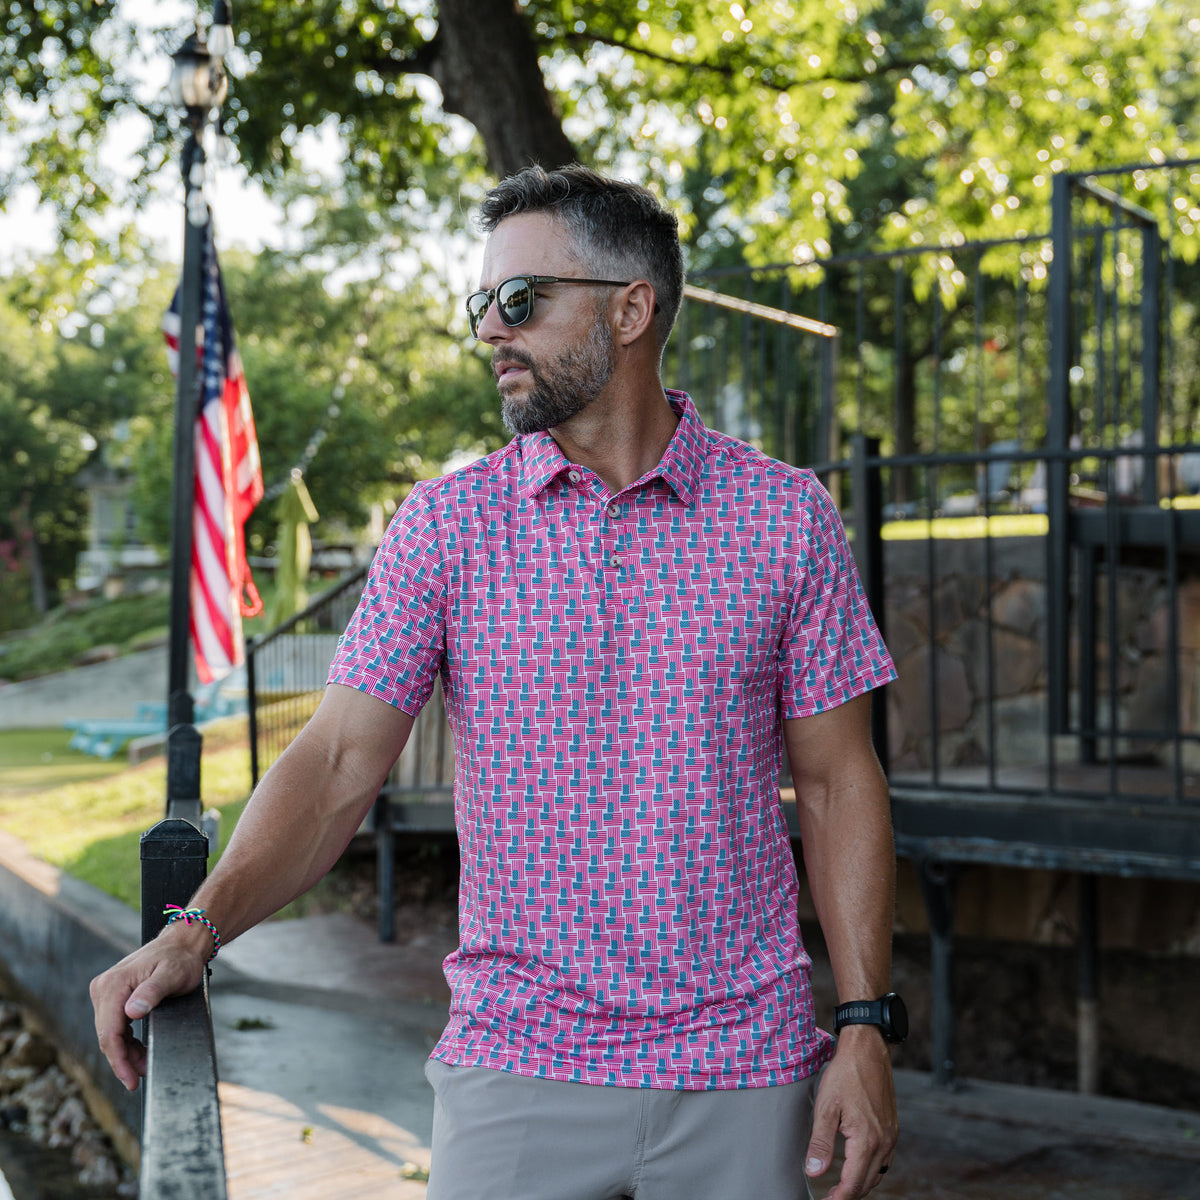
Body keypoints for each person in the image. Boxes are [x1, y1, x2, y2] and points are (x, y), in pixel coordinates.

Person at [91, 164, 901, 1200]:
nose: (489, 331)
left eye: (520, 301)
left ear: (633, 308)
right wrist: (193, 931)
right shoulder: (447, 526)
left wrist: (866, 1026)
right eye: (482, 304)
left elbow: (838, 782)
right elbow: (339, 761)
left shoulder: (786, 520)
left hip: (745, 1074)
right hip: (516, 1068)